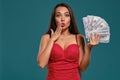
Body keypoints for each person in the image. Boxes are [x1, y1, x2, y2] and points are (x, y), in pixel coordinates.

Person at [37, 3, 100, 80]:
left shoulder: (79, 38)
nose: (62, 19)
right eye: (58, 15)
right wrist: (52, 40)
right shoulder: (46, 38)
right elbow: (41, 64)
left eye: (66, 15)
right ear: (54, 19)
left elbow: (82, 68)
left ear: (71, 19)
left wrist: (89, 47)